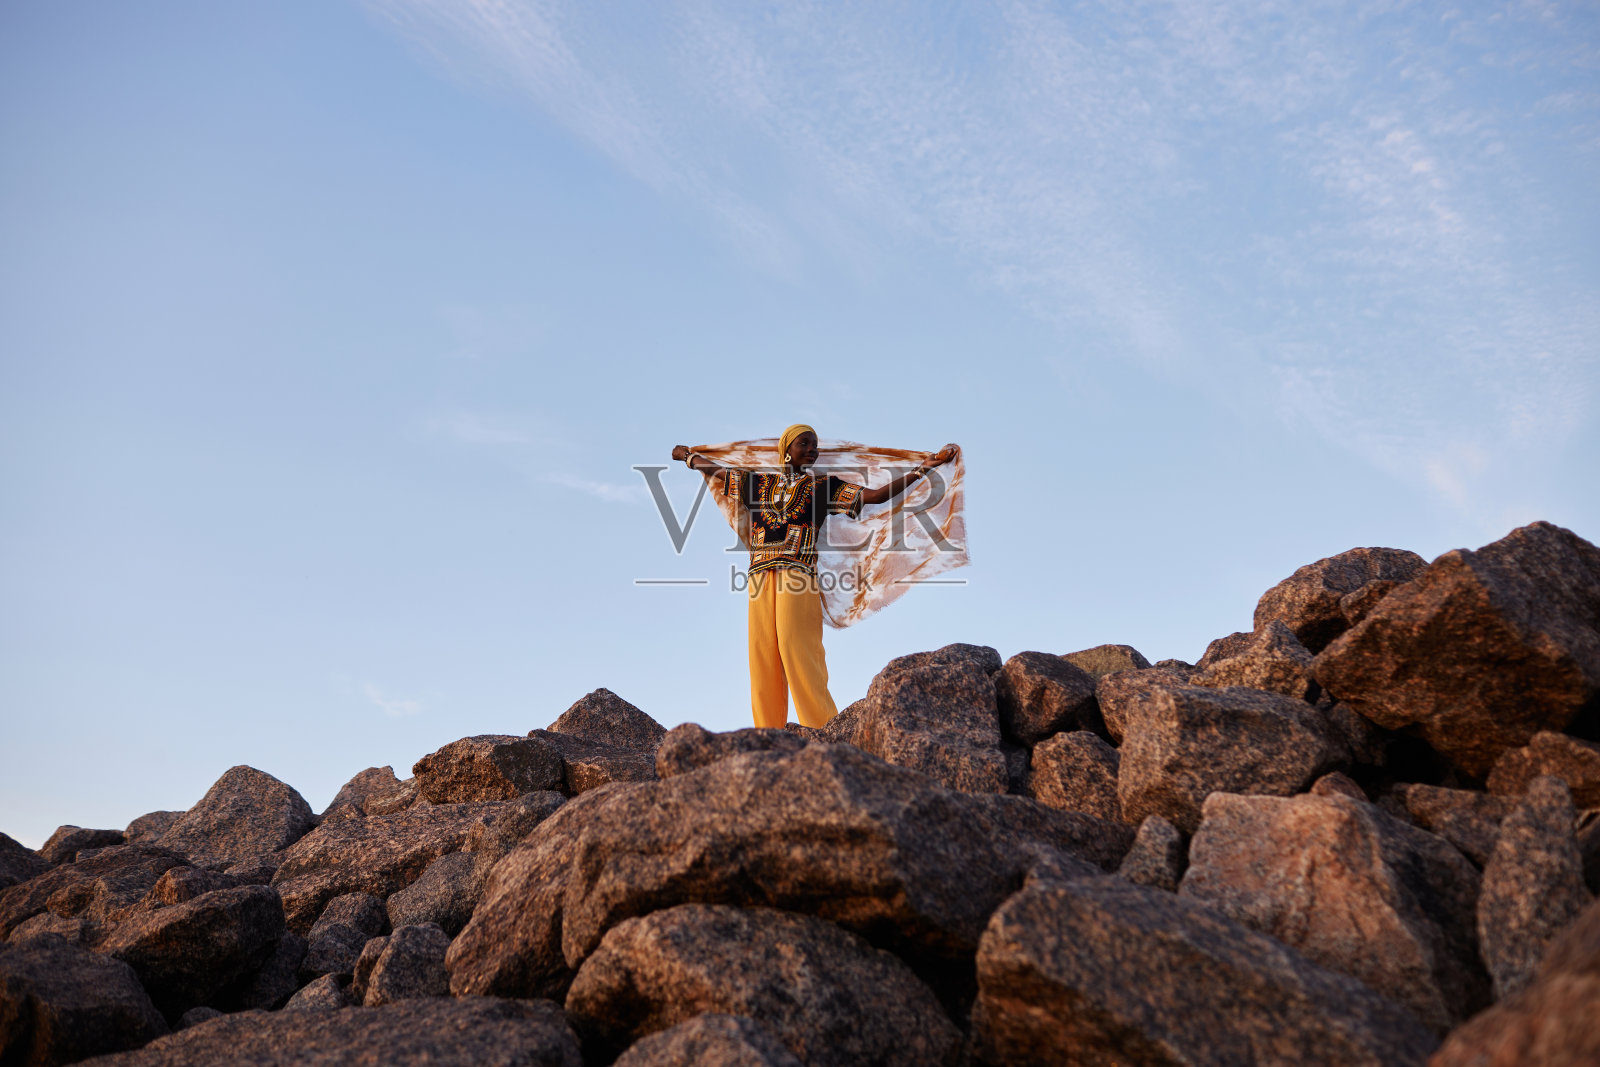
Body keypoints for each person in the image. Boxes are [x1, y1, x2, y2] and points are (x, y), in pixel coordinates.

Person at [671, 425, 959, 729]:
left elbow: (874, 496)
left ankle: (823, 729)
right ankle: (767, 733)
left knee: (796, 647)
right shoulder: (757, 483)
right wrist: (689, 457)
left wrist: (922, 470)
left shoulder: (824, 487)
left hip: (798, 576)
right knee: (762, 653)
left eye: (815, 445)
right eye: (805, 443)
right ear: (786, 449)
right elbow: (718, 471)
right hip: (759, 577)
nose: (812, 449)